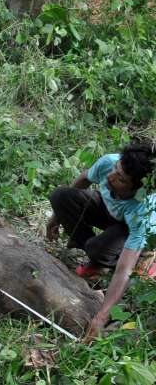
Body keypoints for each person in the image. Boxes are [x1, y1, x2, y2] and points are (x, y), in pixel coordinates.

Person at [46, 143, 156, 342]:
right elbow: (82, 180)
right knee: (60, 196)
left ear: (138, 189)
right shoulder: (109, 163)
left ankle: (140, 257)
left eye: (121, 179)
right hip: (108, 209)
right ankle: (98, 253)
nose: (111, 176)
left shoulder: (142, 211)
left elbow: (124, 270)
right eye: (116, 169)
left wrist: (101, 316)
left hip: (130, 227)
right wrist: (56, 217)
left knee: (96, 249)